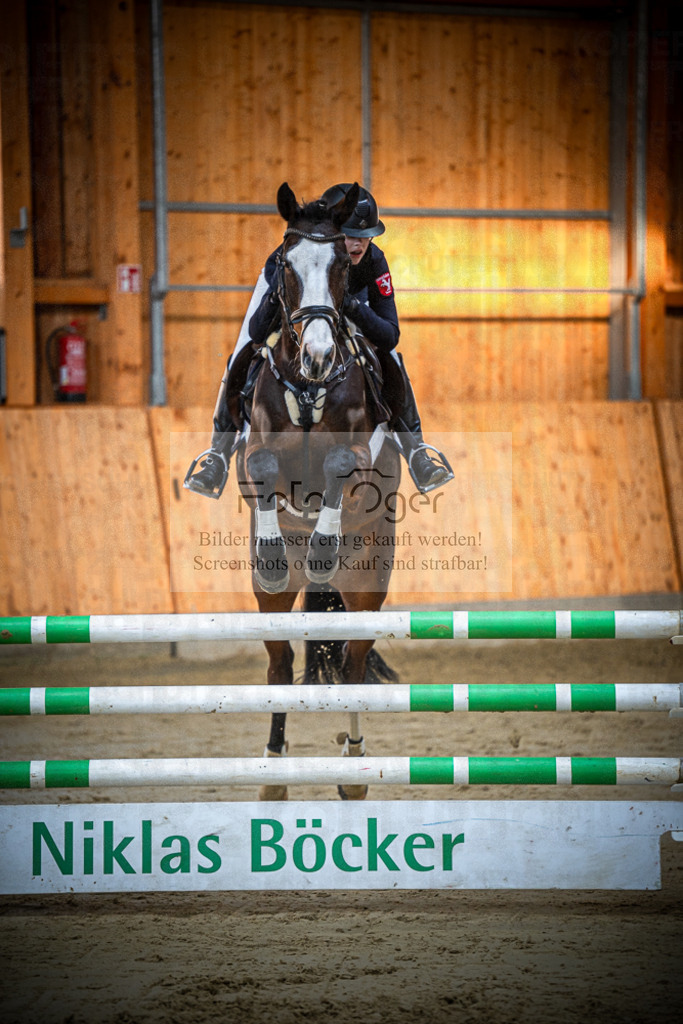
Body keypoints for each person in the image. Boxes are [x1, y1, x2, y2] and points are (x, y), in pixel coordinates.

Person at [185, 183, 452, 497]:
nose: (358, 244)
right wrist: (279, 299)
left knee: (391, 357)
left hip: (346, 309)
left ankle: (416, 450)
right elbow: (258, 331)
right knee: (242, 349)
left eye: (365, 236)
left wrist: (353, 308)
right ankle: (217, 454)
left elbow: (390, 335)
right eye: (350, 235)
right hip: (294, 302)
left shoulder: (374, 262)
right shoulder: (295, 255)